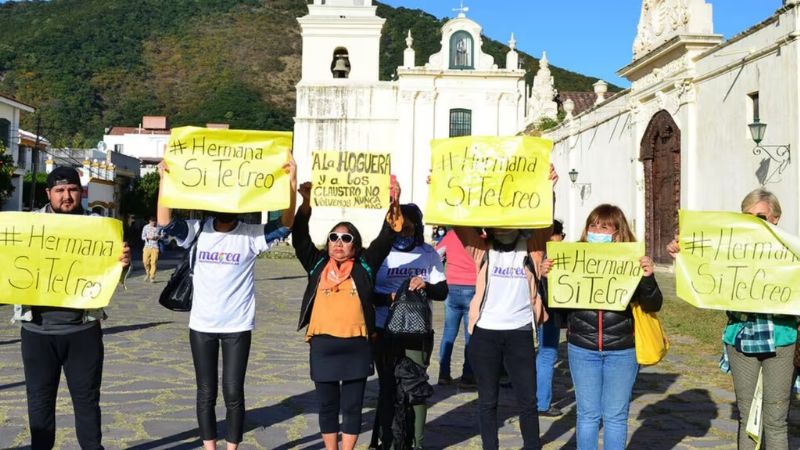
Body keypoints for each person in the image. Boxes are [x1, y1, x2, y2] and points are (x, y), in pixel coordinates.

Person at [157, 157, 297, 450]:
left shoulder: (250, 235)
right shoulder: (198, 230)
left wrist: (291, 184)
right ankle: (210, 447)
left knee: (233, 392)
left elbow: (284, 226)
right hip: (202, 325)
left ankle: (231, 447)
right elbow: (165, 223)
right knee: (205, 392)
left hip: (237, 325)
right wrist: (165, 180)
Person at [667, 188, 798, 450]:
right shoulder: (730, 249)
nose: (753, 221)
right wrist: (683, 252)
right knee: (747, 415)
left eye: (760, 216)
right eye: (747, 216)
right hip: (741, 338)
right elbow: (704, 265)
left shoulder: (791, 250)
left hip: (782, 338)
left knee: (775, 419)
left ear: (775, 218)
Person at [13, 166, 131, 450]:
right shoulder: (26, 227)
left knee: (87, 401)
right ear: (48, 194)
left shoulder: (99, 227)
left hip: (83, 330)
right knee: (39, 401)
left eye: (73, 190)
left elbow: (111, 278)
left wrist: (122, 265)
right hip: (36, 330)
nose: (67, 196)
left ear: (81, 192)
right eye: (60, 190)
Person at [293, 180, 403, 450]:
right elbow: (299, 237)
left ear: (356, 245)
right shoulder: (317, 263)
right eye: (333, 237)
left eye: (346, 238)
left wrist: (394, 200)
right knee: (328, 405)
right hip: (323, 347)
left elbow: (387, 235)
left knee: (352, 406)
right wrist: (306, 203)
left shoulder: (365, 266)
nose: (338, 243)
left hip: (356, 346)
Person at [541, 204, 661, 450]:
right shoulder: (572, 258)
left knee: (615, 416)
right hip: (582, 348)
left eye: (604, 226)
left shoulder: (630, 261)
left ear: (618, 232)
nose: (596, 230)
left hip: (623, 349)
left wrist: (647, 277)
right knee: (587, 415)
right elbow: (558, 310)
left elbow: (653, 304)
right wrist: (547, 279)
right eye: (593, 225)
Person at [371, 203, 448, 450]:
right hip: (385, 328)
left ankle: (417, 441)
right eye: (399, 227)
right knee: (387, 386)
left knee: (416, 387)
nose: (403, 232)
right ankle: (387, 439)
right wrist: (389, 298)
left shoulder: (428, 253)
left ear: (417, 227)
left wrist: (424, 283)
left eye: (408, 227)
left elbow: (442, 291)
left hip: (416, 331)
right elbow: (366, 292)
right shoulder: (382, 252)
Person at [435, 227, 477, 388]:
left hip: (451, 286)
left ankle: (444, 374)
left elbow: (436, 255)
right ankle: (468, 376)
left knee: (448, 333)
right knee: (470, 335)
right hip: (473, 287)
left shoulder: (451, 235)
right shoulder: (479, 236)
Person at [536, 219, 566, 417]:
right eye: (560, 235)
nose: (562, 239)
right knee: (547, 354)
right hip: (548, 310)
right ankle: (542, 402)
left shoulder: (531, 251)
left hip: (531, 308)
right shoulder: (557, 256)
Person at [141, 216, 163, 282]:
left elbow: (163, 235)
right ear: (149, 221)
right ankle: (148, 273)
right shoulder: (146, 227)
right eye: (152, 222)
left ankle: (152, 277)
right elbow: (142, 236)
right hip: (147, 246)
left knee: (153, 263)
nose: (154, 224)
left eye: (155, 222)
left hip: (155, 247)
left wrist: (158, 237)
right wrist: (148, 238)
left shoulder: (159, 227)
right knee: (145, 262)